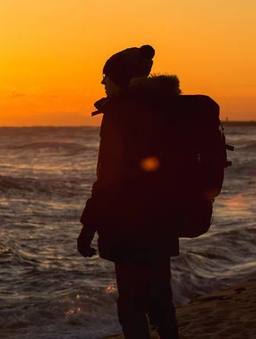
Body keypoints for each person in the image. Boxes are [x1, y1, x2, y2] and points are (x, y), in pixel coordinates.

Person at [78, 45, 181, 339]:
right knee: (161, 298)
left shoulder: (120, 114)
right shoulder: (163, 108)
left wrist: (88, 228)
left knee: (132, 304)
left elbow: (109, 177)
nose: (102, 83)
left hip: (129, 224)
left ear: (120, 79)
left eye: (106, 77)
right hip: (163, 219)